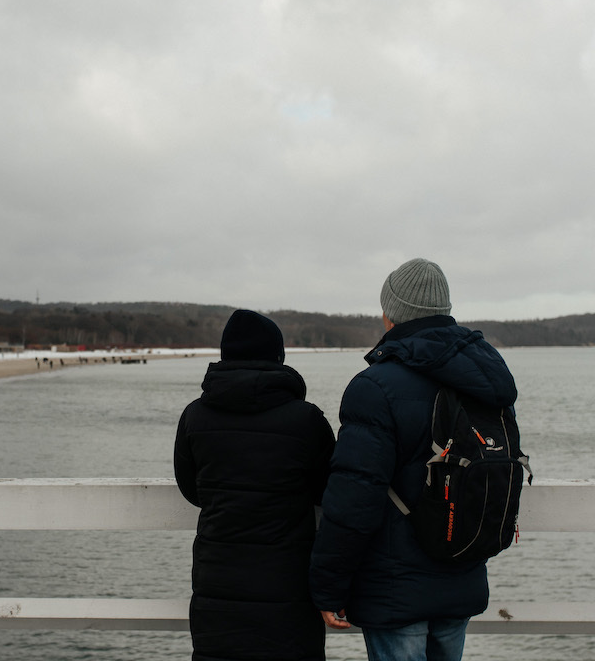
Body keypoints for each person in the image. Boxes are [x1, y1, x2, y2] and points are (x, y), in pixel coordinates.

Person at [309, 258, 518, 661]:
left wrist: (329, 586)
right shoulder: (487, 378)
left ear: (391, 315)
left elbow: (354, 498)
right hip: (463, 571)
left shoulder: (375, 386)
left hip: (395, 589)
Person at [174, 309, 335, 661]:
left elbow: (192, 490)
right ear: (277, 358)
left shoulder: (195, 416)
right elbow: (328, 490)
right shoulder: (306, 420)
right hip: (287, 584)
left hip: (217, 582)